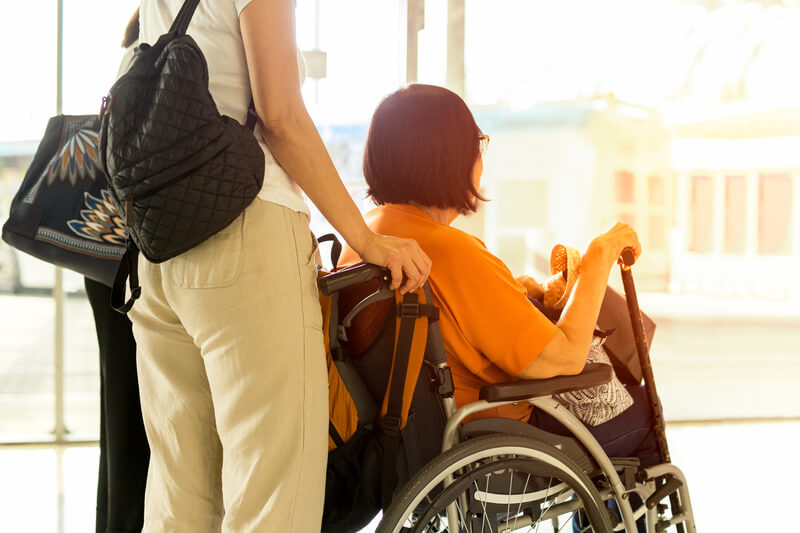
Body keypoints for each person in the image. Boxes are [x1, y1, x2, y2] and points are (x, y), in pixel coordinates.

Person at [132, 2, 431, 533]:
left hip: (159, 250)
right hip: (246, 236)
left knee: (184, 498)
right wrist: (363, 238)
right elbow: (281, 117)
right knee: (273, 497)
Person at [339, 83, 660, 474]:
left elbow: (458, 327)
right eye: (478, 142)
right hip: (490, 439)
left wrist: (516, 292)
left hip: (414, 444)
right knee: (644, 414)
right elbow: (564, 358)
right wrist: (599, 256)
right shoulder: (451, 251)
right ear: (452, 157)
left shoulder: (371, 238)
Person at [86, 9, 149, 533]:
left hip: (105, 260)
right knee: (138, 415)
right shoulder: (153, 66)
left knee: (120, 410)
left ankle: (115, 521)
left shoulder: (127, 68)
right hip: (129, 259)